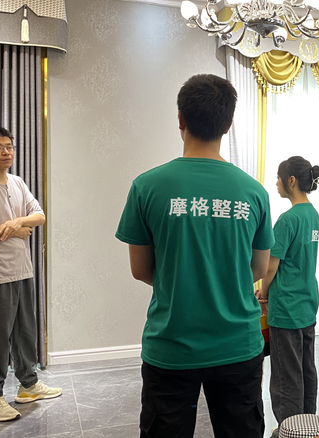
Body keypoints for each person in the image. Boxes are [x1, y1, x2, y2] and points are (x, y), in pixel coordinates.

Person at [115, 74, 275, 438]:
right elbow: (259, 268)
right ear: (229, 124)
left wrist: (181, 281)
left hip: (171, 347)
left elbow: (140, 269)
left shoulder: (147, 186)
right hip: (239, 345)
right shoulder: (254, 193)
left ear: (180, 119)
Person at [0, 125, 62, 422]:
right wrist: (18, 230)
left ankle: (28, 386)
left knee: (25, 333)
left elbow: (39, 215)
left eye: (9, 146)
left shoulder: (17, 182)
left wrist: (17, 222)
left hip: (21, 270)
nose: (6, 152)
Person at [255, 156, 319, 433]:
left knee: (287, 376)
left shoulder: (287, 220)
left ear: (292, 180)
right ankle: (307, 426)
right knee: (306, 369)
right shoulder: (313, 214)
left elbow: (271, 266)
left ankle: (290, 430)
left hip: (286, 307)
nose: (276, 182)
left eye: (278, 177)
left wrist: (263, 292)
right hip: (307, 304)